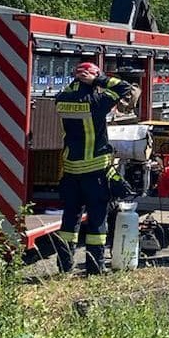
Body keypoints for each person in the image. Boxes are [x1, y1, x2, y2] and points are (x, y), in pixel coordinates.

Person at [51, 62, 134, 274]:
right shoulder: (97, 101)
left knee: (69, 220)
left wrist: (80, 80)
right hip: (95, 172)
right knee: (97, 222)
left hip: (70, 172)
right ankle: (95, 268)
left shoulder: (61, 100)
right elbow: (124, 87)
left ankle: (64, 266)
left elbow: (66, 93)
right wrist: (99, 79)